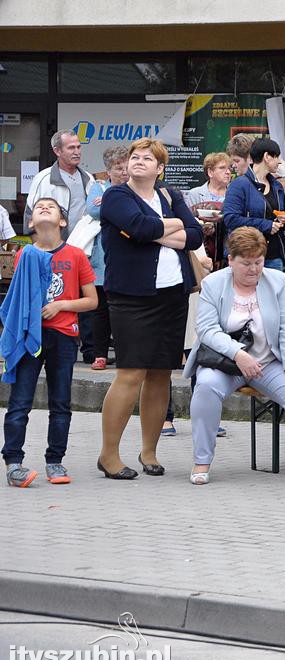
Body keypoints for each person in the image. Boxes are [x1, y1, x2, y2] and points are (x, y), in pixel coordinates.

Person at [183, 227, 285, 486]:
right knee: (206, 387)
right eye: (246, 263)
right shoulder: (213, 283)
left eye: (258, 262)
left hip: (268, 362)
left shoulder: (276, 280)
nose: (254, 269)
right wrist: (238, 354)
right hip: (226, 363)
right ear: (231, 259)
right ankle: (202, 459)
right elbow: (207, 330)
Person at [97, 138, 203, 480]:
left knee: (160, 374)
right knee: (131, 372)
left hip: (172, 296)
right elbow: (141, 227)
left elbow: (197, 235)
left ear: (160, 169)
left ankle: (149, 452)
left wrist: (156, 229)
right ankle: (109, 455)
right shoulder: (116, 196)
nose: (139, 161)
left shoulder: (170, 195)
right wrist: (168, 226)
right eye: (134, 157)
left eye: (148, 158)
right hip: (132, 297)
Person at [2, 198, 97, 487]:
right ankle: (13, 463)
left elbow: (92, 300)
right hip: (31, 337)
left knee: (60, 403)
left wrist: (61, 306)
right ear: (30, 223)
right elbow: (18, 299)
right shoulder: (24, 255)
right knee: (19, 402)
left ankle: (55, 461)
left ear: (63, 221)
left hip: (64, 336)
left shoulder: (76, 255)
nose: (43, 208)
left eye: (51, 206)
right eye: (38, 207)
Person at [69, 145, 128, 369]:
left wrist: (107, 204)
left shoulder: (132, 189)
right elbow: (93, 211)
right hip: (100, 260)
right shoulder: (98, 186)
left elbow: (119, 210)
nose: (124, 172)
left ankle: (123, 354)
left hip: (124, 260)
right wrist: (116, 208)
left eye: (126, 167)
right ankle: (97, 354)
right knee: (99, 309)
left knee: (122, 310)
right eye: (118, 167)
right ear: (108, 170)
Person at [222, 138, 285, 272]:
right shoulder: (239, 184)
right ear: (267, 157)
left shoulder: (276, 186)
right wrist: (266, 225)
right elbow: (230, 218)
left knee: (272, 292)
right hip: (245, 254)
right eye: (277, 157)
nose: (280, 161)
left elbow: (282, 218)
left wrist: (284, 219)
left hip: (274, 255)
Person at [24, 130, 94, 239]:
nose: (77, 152)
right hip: (53, 248)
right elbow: (30, 217)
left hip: (83, 248)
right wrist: (43, 249)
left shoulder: (89, 179)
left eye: (78, 147)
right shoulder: (43, 179)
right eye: (71, 148)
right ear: (57, 151)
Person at [184, 152, 232, 270]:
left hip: (228, 252)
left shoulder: (235, 194)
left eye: (229, 168)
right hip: (201, 253)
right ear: (210, 172)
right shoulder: (194, 194)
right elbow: (187, 223)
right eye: (222, 168)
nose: (228, 172)